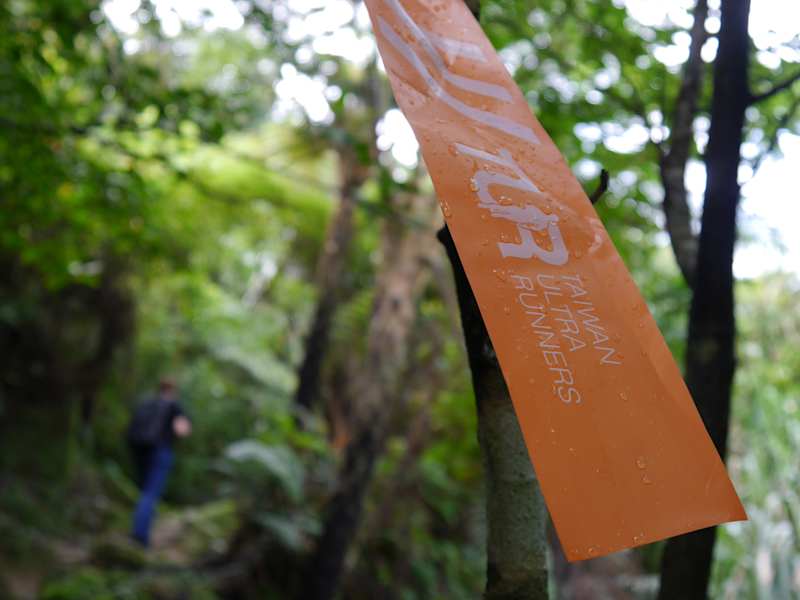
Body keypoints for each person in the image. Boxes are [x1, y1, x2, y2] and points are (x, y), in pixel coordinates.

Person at [127, 378, 191, 547]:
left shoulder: (147, 402)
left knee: (144, 492)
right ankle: (140, 536)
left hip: (140, 451)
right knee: (151, 494)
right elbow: (182, 430)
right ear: (173, 390)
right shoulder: (174, 406)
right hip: (160, 451)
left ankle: (138, 530)